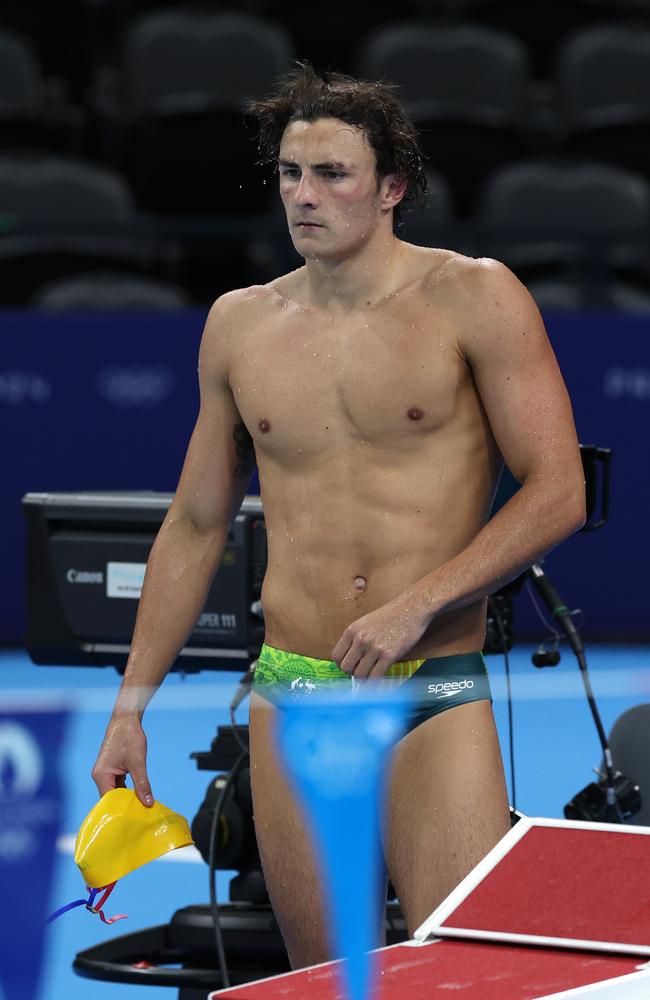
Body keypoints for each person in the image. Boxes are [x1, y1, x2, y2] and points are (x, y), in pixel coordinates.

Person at [92, 63, 586, 969]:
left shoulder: (474, 297)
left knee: (456, 974)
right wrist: (131, 706)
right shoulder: (239, 324)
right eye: (289, 174)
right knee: (325, 985)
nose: (303, 196)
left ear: (393, 187)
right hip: (295, 688)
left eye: (332, 175)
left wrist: (418, 602)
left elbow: (558, 490)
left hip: (428, 687)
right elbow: (197, 524)